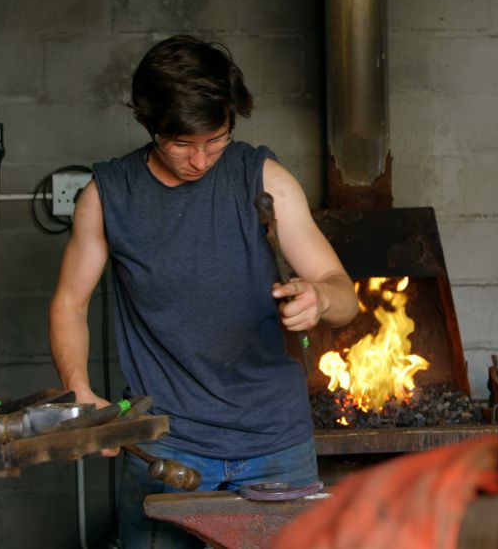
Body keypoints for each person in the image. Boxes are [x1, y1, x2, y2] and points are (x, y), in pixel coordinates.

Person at [49, 35, 359, 548]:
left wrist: (321, 298)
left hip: (274, 443)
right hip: (166, 446)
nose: (200, 160)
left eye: (215, 141)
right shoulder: (106, 197)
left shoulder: (265, 180)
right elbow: (69, 302)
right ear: (149, 124)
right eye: (182, 144)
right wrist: (77, 387)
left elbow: (343, 294)